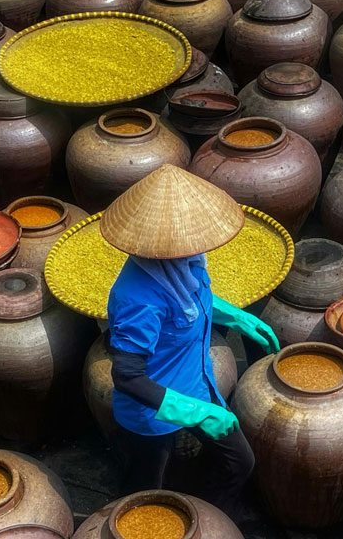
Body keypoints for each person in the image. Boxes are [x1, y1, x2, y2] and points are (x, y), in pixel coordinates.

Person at [100, 164, 280, 514]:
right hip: (154, 411)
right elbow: (127, 377)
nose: (196, 245)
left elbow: (194, 298)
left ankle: (206, 517)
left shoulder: (185, 262)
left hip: (198, 385)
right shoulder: (139, 298)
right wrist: (196, 414)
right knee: (144, 490)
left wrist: (237, 317)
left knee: (238, 462)